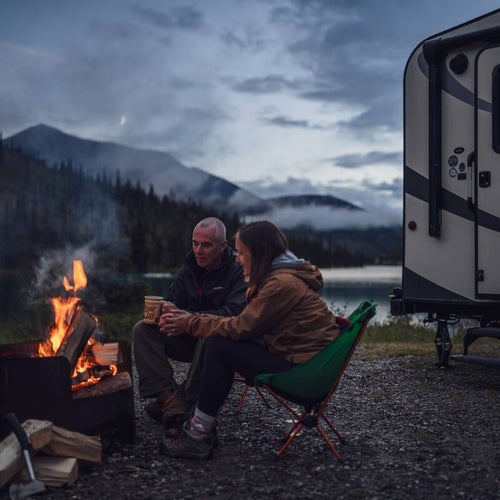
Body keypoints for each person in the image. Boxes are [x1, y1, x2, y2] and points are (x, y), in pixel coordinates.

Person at [157, 220, 344, 460]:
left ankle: (198, 433)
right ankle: (195, 419)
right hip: (305, 364)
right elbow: (248, 325)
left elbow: (241, 327)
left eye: (242, 253)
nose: (237, 258)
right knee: (223, 343)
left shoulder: (280, 285)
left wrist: (189, 322)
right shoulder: (279, 277)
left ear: (258, 254)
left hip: (305, 376)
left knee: (219, 346)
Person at [133, 217, 247, 427]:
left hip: (221, 342)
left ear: (223, 246)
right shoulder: (190, 267)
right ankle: (168, 397)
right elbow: (175, 300)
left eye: (206, 245)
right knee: (143, 329)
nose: (198, 250)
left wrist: (190, 319)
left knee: (211, 334)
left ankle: (187, 398)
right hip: (188, 336)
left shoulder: (237, 269)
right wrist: (167, 311)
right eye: (195, 243)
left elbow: (236, 314)